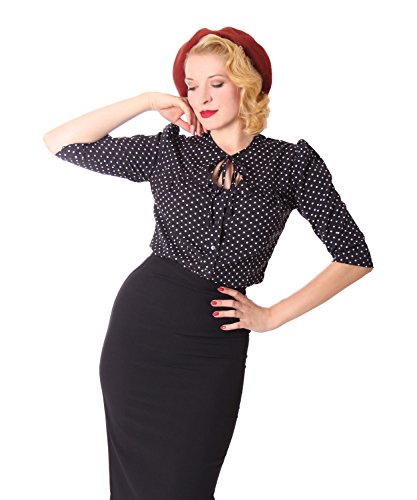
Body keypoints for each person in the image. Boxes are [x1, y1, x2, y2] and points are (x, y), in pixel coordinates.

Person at [43, 26, 374, 500]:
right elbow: (61, 142)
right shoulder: (168, 150)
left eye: (216, 83)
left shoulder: (292, 164)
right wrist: (146, 100)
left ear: (246, 85)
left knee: (188, 485)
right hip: (141, 332)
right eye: (191, 86)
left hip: (214, 343)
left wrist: (271, 316)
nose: (202, 97)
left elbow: (354, 256)